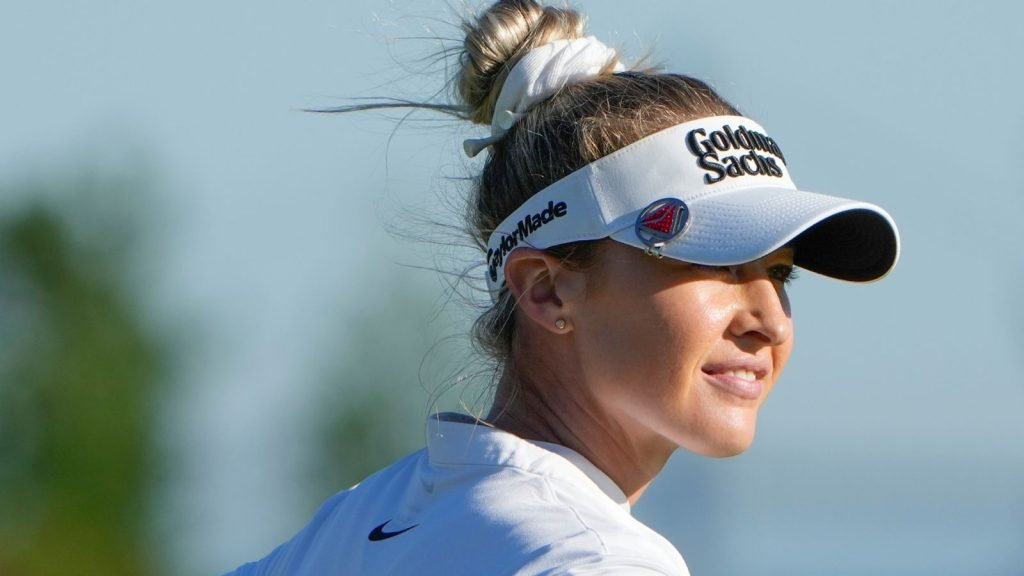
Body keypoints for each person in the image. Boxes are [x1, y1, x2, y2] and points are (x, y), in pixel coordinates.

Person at [226, 0, 899, 574]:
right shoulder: (595, 559)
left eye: (779, 272)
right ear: (546, 290)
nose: (768, 320)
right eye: (719, 264)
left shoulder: (345, 528)